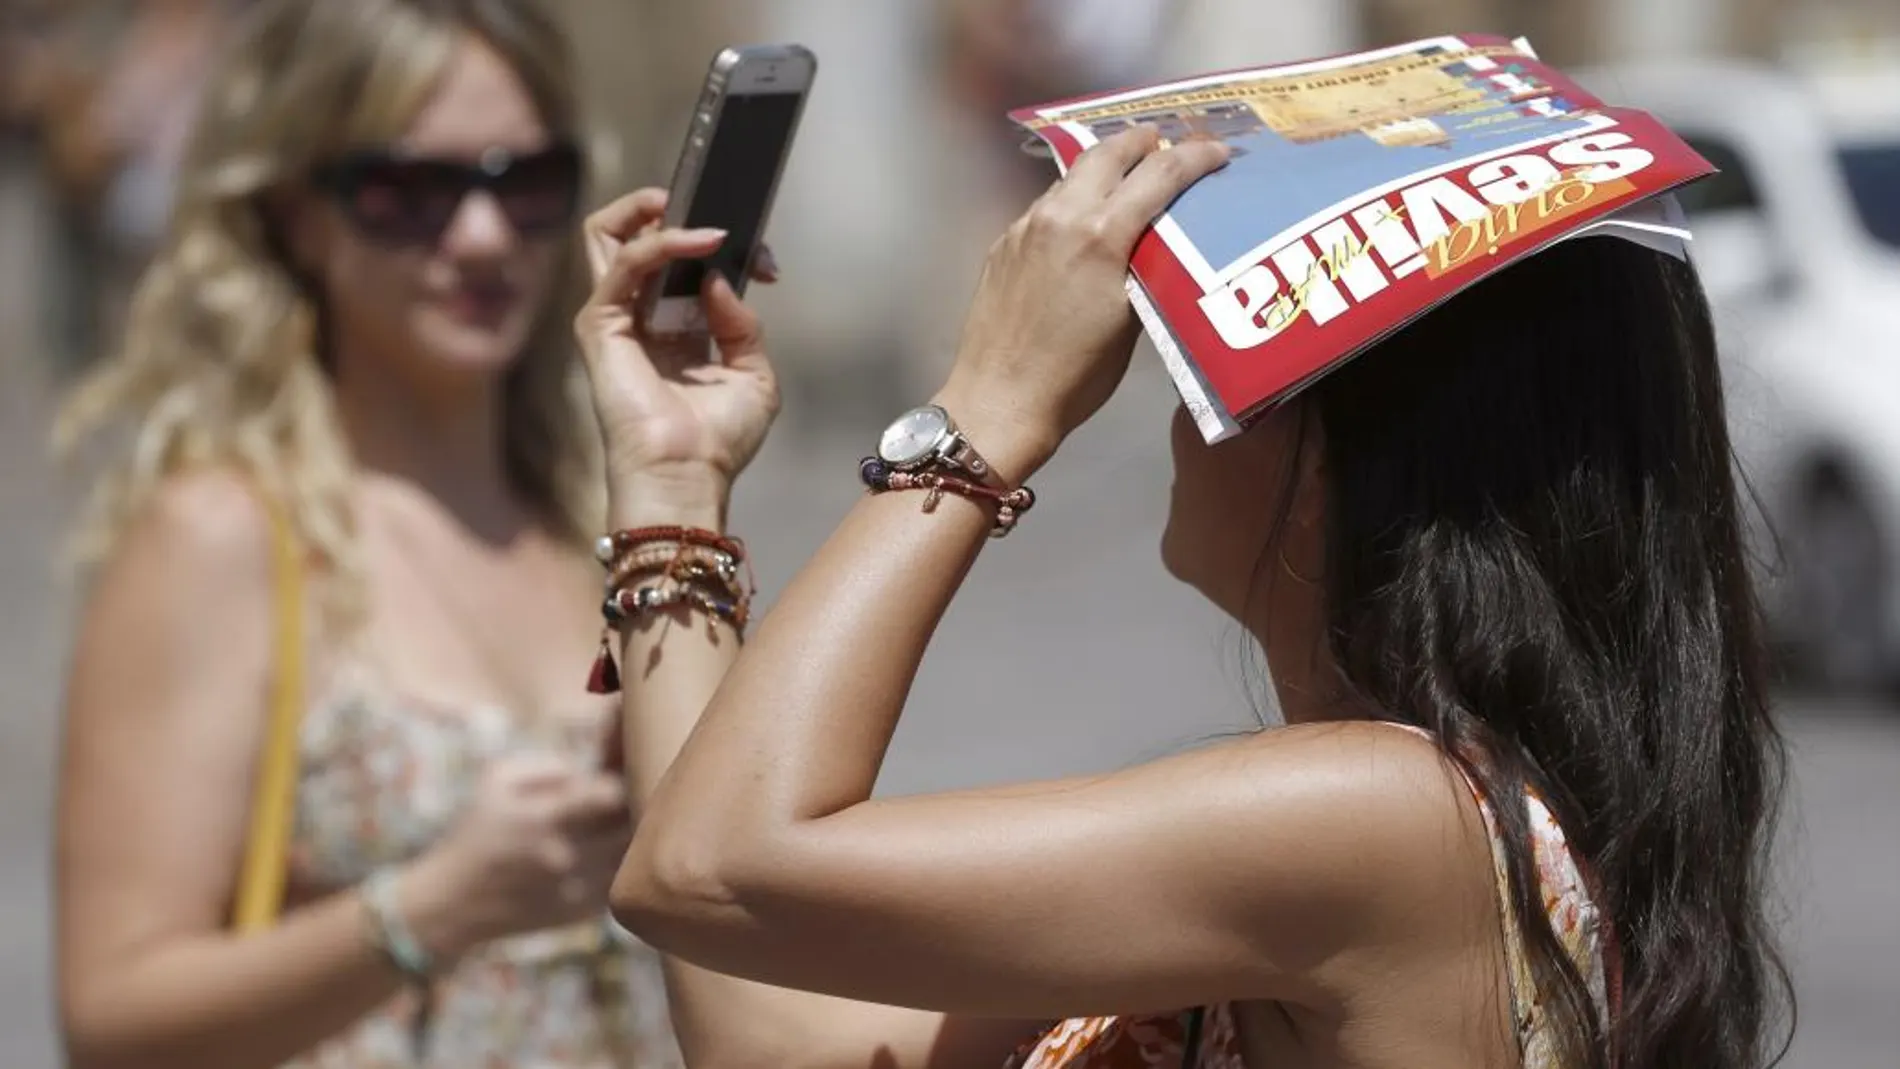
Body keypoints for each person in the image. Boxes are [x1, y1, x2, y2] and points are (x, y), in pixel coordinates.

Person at [571, 124, 1791, 1069]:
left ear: (1343, 454)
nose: (1174, 407)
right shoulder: (1398, 821)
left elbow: (710, 869)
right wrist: (673, 482)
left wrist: (986, 410)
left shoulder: (1383, 817)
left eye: (1208, 361)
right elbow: (764, 1021)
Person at [51, 1, 746, 1066]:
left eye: (523, 182)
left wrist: (682, 475)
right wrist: (432, 905)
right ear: (295, 213)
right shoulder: (226, 532)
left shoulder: (590, 509)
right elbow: (111, 1018)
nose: (479, 235)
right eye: (407, 191)